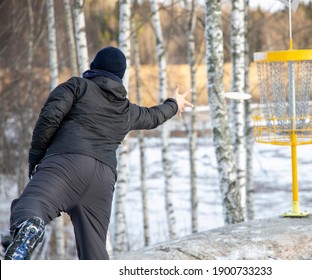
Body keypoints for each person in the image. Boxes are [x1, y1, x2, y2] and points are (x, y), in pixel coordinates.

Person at [5, 46, 193, 260]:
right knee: (94, 255)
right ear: (120, 76)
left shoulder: (77, 86)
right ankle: (10, 242)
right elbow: (153, 116)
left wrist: (37, 159)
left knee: (31, 206)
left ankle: (22, 236)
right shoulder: (126, 110)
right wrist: (174, 103)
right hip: (103, 180)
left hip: (68, 163)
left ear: (94, 66)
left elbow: (50, 118)